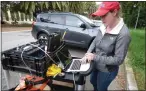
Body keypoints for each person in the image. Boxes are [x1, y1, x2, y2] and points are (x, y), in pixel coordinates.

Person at [82, 2, 131, 91]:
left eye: (104, 15)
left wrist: (94, 57)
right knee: (93, 81)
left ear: (115, 12)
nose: (101, 19)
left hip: (107, 70)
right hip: (96, 64)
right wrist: (88, 53)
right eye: (100, 16)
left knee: (101, 88)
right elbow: (95, 41)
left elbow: (118, 60)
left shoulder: (123, 34)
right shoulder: (104, 25)